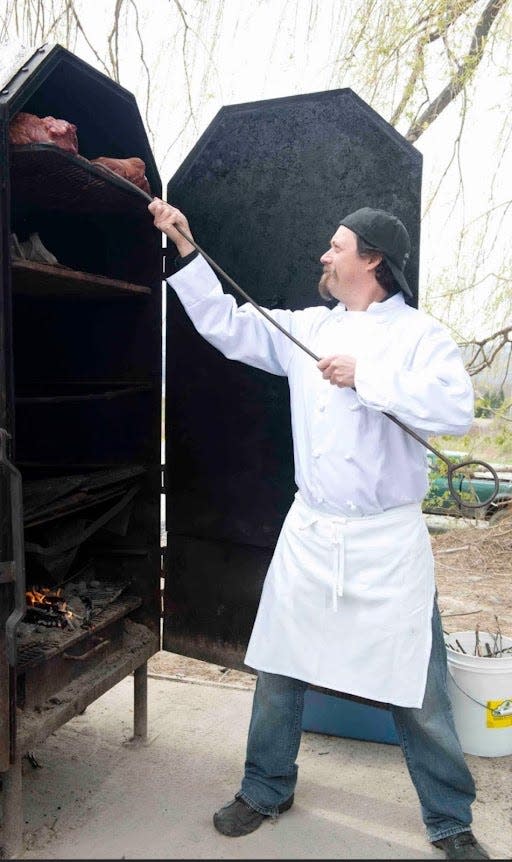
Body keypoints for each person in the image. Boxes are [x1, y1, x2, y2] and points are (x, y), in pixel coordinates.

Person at [148, 198, 490, 860]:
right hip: (312, 530)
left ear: (373, 259)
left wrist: (368, 375)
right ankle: (265, 787)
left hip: (388, 541)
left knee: (418, 690)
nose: (324, 256)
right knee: (280, 665)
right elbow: (224, 324)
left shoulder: (421, 336)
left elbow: (455, 408)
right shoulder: (304, 326)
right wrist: (185, 247)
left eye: (337, 247)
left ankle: (450, 820)